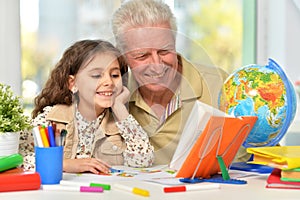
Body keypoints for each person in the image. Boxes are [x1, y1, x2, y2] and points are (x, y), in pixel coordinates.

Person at [111, 0, 250, 165]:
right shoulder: (111, 94)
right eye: (142, 56)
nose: (156, 65)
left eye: (164, 51)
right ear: (123, 57)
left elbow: (257, 157)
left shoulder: (219, 85)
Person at [19, 39, 154, 174]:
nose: (109, 82)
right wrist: (63, 164)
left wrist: (120, 108)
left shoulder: (121, 124)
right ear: (73, 83)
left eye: (114, 75)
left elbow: (143, 160)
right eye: (96, 75)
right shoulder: (51, 118)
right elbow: (17, 157)